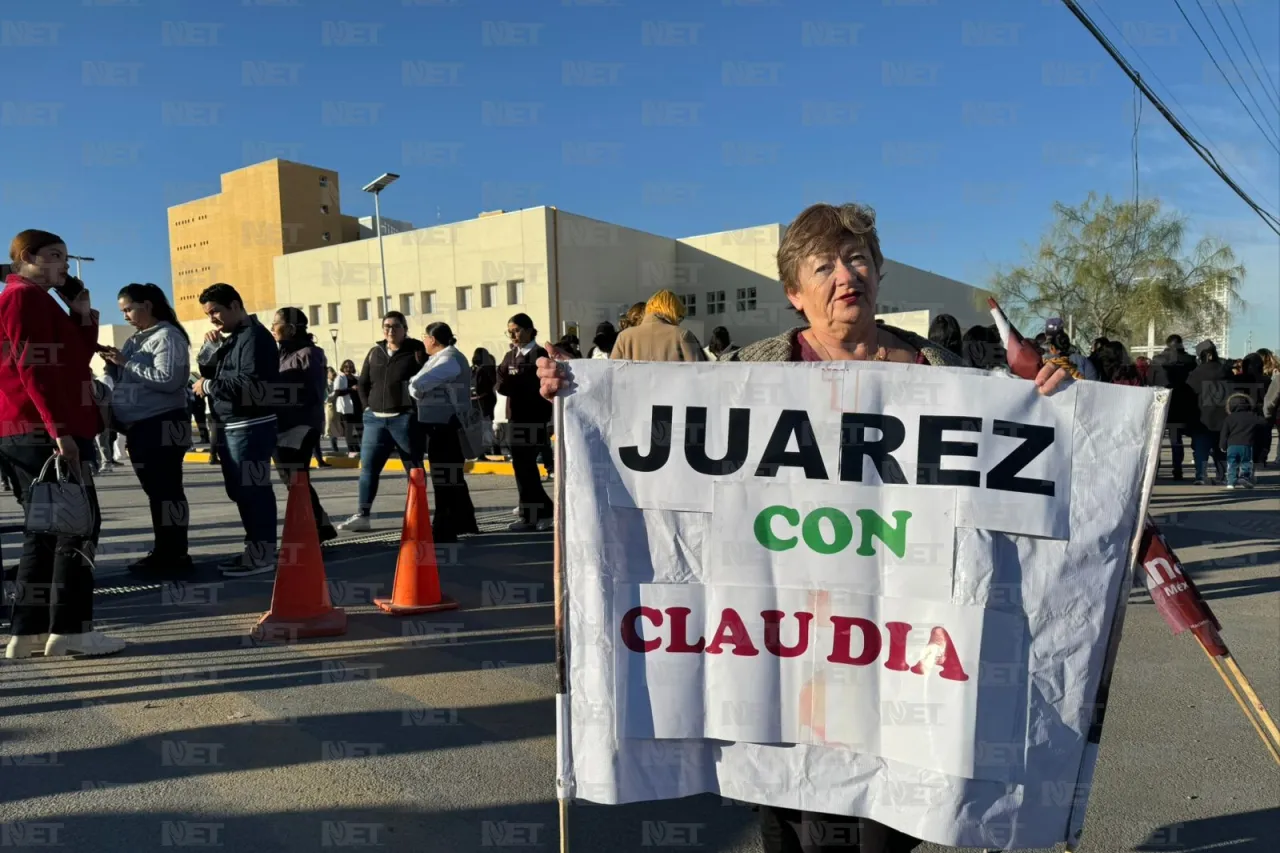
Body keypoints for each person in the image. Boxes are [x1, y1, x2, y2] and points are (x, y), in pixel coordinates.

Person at [536, 201, 1070, 853]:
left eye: (858, 259)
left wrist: (1057, 395)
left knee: (880, 824)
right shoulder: (746, 375)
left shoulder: (952, 378)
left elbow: (1026, 477)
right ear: (794, 293)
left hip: (898, 645)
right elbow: (649, 437)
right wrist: (575, 391)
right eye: (824, 265)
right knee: (787, 812)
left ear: (879, 272)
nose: (846, 274)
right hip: (781, 646)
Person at [1, 229, 125, 658]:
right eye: (54, 256)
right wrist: (58, 431)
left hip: (32, 428)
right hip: (44, 428)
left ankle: (30, 631)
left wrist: (82, 311)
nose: (63, 265)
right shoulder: (22, 298)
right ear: (26, 257)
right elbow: (32, 367)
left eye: (66, 257)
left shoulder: (37, 299)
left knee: (47, 532)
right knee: (79, 526)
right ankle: (71, 628)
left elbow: (75, 356)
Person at [102, 283, 194, 579]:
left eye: (129, 308)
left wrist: (126, 362)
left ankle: (175, 553)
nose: (126, 316)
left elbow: (168, 380)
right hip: (142, 426)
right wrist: (115, 365)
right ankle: (166, 549)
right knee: (158, 493)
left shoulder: (168, 336)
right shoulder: (137, 339)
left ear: (148, 305)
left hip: (163, 422)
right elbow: (132, 377)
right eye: (122, 311)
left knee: (167, 492)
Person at [194, 283, 281, 576]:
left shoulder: (254, 338)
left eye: (215, 311)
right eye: (208, 314)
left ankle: (262, 554)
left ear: (234, 304)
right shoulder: (234, 338)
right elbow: (210, 371)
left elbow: (250, 385)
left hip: (250, 426)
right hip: (232, 425)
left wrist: (208, 386)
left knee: (253, 490)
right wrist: (210, 349)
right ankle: (255, 548)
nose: (212, 319)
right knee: (241, 491)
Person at [336, 311, 426, 532]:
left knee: (413, 469)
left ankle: (417, 517)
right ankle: (363, 515)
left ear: (405, 328)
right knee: (368, 469)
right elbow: (363, 383)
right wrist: (367, 407)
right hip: (375, 420)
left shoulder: (416, 352)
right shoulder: (375, 352)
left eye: (395, 326)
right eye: (386, 326)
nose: (390, 330)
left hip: (404, 419)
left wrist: (413, 410)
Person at [409, 321, 480, 542]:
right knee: (453, 478)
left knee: (444, 478)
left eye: (424, 337)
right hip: (440, 425)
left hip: (447, 427)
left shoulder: (449, 360)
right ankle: (465, 522)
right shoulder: (437, 359)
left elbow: (417, 385)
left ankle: (444, 528)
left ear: (433, 339)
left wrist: (416, 387)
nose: (423, 341)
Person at [271, 307, 337, 542]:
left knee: (295, 480)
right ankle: (320, 525)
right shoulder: (281, 353)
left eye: (276, 323)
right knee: (295, 481)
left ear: (290, 328)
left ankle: (314, 529)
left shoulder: (309, 353)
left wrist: (277, 393)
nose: (272, 328)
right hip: (282, 425)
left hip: (300, 426)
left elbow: (312, 394)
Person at [497, 312, 554, 532]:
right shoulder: (511, 355)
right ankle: (534, 512)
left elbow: (531, 386)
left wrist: (515, 383)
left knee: (527, 466)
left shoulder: (538, 355)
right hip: (515, 416)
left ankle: (536, 513)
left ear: (529, 330)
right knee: (521, 467)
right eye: (509, 331)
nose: (513, 335)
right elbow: (501, 381)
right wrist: (515, 383)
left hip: (533, 417)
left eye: (517, 330)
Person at [1150, 334, 1199, 480]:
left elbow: (1150, 381)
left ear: (1166, 344)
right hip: (1182, 403)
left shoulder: (1157, 360)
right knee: (1176, 438)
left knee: (1157, 438)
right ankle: (1177, 468)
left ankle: (1155, 469)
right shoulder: (1190, 361)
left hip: (1161, 402)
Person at [611, 290, 707, 361]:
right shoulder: (682, 335)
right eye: (680, 316)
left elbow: (612, 374)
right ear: (672, 312)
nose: (679, 321)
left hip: (633, 388)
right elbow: (701, 374)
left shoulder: (624, 337)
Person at [1188, 340, 1231, 484]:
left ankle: (1201, 475)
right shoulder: (1225, 370)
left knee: (1201, 448)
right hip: (1223, 416)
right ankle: (1223, 475)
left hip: (1203, 417)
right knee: (1221, 449)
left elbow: (1189, 394)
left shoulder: (1196, 373)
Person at [1220, 392, 1263, 489]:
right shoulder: (1251, 416)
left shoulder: (1229, 418)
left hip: (1231, 446)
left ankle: (1231, 482)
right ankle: (1244, 477)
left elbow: (1224, 434)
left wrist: (1222, 445)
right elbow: (1263, 422)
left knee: (1232, 463)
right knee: (1246, 462)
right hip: (1246, 444)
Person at [471, 348, 499, 456]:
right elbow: (495, 383)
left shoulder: (472, 368)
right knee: (487, 424)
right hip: (486, 401)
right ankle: (491, 449)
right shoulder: (488, 368)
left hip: (473, 401)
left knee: (477, 426)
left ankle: (480, 450)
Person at [332, 359, 363, 457]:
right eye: (346, 366)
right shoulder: (340, 378)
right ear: (343, 367)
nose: (348, 368)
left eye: (350, 366)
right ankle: (351, 450)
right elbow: (337, 392)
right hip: (346, 407)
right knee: (348, 430)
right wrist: (351, 389)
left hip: (357, 406)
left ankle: (358, 448)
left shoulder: (356, 378)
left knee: (360, 429)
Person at [323, 366, 342, 456]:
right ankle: (334, 448)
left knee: (335, 427)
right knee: (330, 427)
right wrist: (336, 392)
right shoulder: (325, 384)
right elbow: (327, 398)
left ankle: (335, 447)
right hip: (329, 406)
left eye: (333, 371)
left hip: (336, 406)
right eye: (331, 372)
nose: (333, 373)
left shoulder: (336, 382)